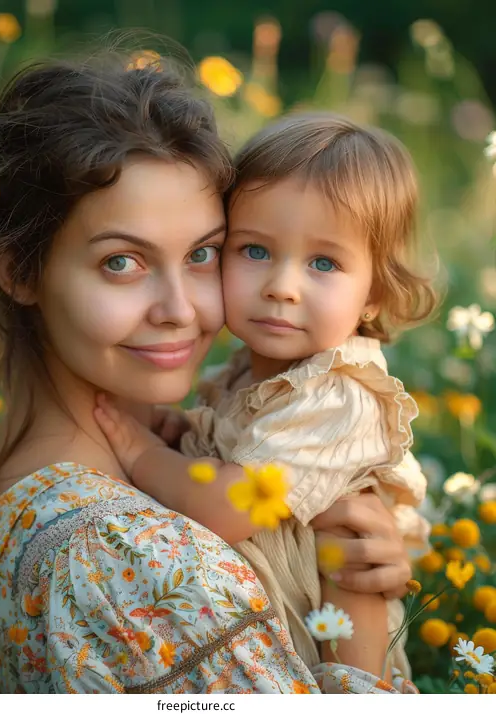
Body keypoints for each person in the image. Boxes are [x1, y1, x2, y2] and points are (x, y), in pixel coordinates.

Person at [0, 56, 414, 694]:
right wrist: (364, 657)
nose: (181, 310)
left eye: (202, 254)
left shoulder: (123, 484)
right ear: (20, 272)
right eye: (122, 262)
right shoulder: (111, 552)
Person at [92, 112, 437, 679]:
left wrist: (140, 452)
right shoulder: (249, 373)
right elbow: (231, 445)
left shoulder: (338, 394)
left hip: (328, 667)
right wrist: (185, 433)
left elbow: (231, 504)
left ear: (374, 293)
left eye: (323, 263)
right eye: (254, 250)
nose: (281, 286)